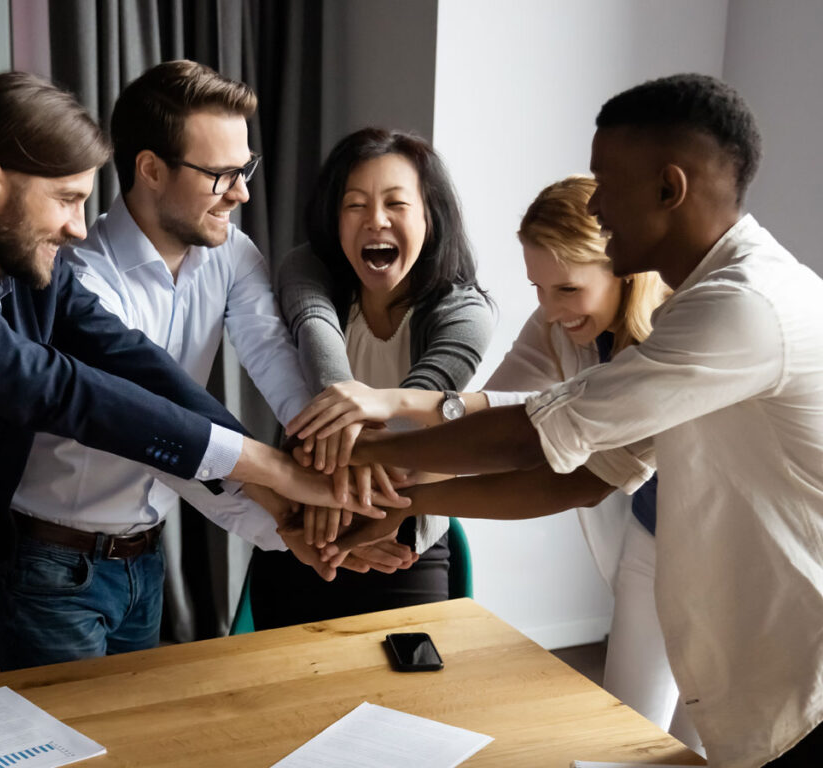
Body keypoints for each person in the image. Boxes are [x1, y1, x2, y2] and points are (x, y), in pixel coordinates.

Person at [0, 72, 387, 705]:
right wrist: (270, 470)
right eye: (67, 200)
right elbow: (62, 390)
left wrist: (264, 478)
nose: (80, 228)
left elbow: (131, 360)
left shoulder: (11, 253)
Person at [311, 74, 823, 766]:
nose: (598, 205)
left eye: (606, 182)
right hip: (758, 667)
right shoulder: (697, 306)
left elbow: (533, 435)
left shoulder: (743, 306)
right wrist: (409, 502)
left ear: (670, 188)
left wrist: (361, 459)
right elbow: (581, 479)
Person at [0, 61, 412, 671]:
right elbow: (159, 436)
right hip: (52, 565)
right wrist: (286, 514)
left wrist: (332, 456)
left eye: (246, 168)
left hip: (146, 554)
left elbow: (273, 356)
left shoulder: (231, 253)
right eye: (222, 175)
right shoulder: (83, 279)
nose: (242, 192)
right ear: (151, 169)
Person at [289, 175, 696, 744]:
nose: (550, 311)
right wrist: (390, 495)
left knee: (708, 740)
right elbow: (491, 427)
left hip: (731, 551)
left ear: (623, 265)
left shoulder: (675, 341)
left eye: (568, 290)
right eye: (538, 288)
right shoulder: (559, 324)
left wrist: (390, 414)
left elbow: (548, 453)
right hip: (653, 535)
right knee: (630, 733)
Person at [247, 127, 495, 628]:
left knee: (408, 696)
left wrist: (335, 487)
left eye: (396, 204)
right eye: (354, 205)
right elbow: (329, 377)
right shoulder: (307, 270)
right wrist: (330, 499)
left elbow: (412, 416)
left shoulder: (465, 312)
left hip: (401, 538)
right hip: (308, 532)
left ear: (430, 215)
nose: (375, 220)